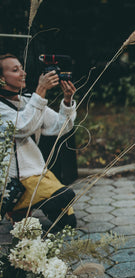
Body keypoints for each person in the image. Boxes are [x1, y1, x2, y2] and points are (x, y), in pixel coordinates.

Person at [0, 53, 77, 231]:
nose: (23, 73)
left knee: (68, 223)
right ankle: (16, 206)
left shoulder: (26, 100)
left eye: (21, 68)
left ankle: (25, 209)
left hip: (36, 171)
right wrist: (40, 91)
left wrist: (67, 100)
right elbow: (22, 128)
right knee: (64, 196)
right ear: (1, 79)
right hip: (15, 180)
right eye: (15, 70)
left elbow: (60, 127)